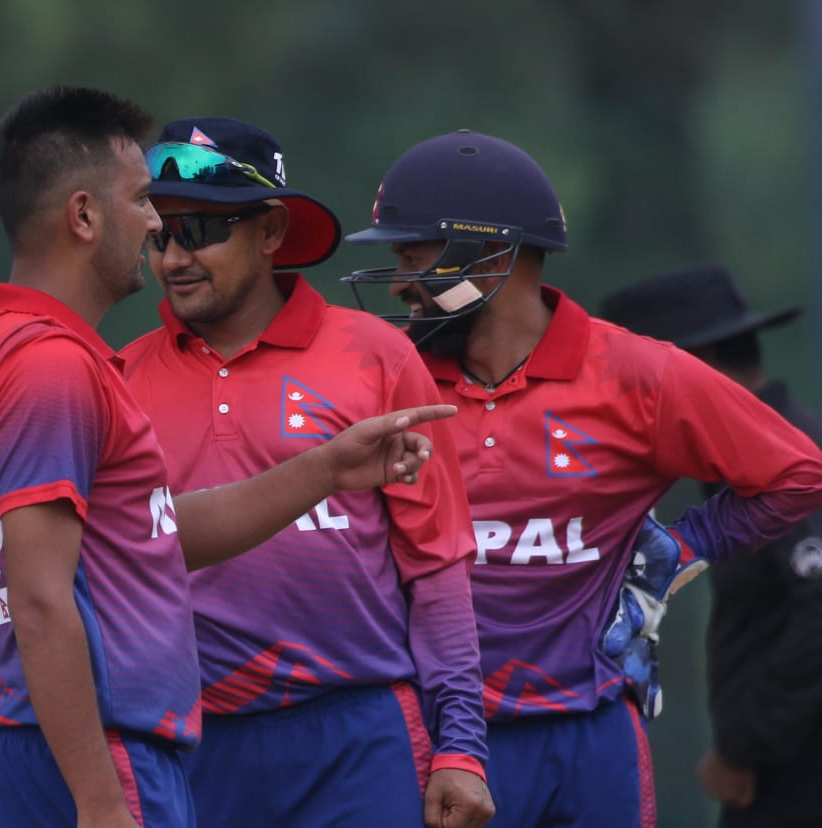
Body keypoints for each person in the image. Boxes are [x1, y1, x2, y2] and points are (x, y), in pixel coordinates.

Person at [0, 86, 451, 828]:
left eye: (196, 224)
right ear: (84, 217)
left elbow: (143, 536)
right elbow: (41, 597)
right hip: (95, 749)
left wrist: (324, 470)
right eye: (145, 203)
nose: (157, 229)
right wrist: (98, 798)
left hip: (62, 741)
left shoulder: (6, 347)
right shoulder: (53, 364)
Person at [343, 131, 822, 828]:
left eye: (412, 257)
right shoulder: (389, 380)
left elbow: (800, 473)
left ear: (488, 257)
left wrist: (681, 549)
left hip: (592, 732)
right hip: (443, 741)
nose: (398, 284)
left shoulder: (635, 373)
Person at [118, 116, 493, 828]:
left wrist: (461, 750)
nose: (173, 260)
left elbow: (436, 569)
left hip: (359, 736)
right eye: (159, 234)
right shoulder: (119, 378)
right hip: (190, 743)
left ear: (270, 231)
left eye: (199, 232)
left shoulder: (377, 355)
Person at [602, 263, 822, 828]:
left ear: (690, 368)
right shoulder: (748, 467)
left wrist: (745, 747)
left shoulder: (787, 469)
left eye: (628, 379)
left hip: (793, 775)